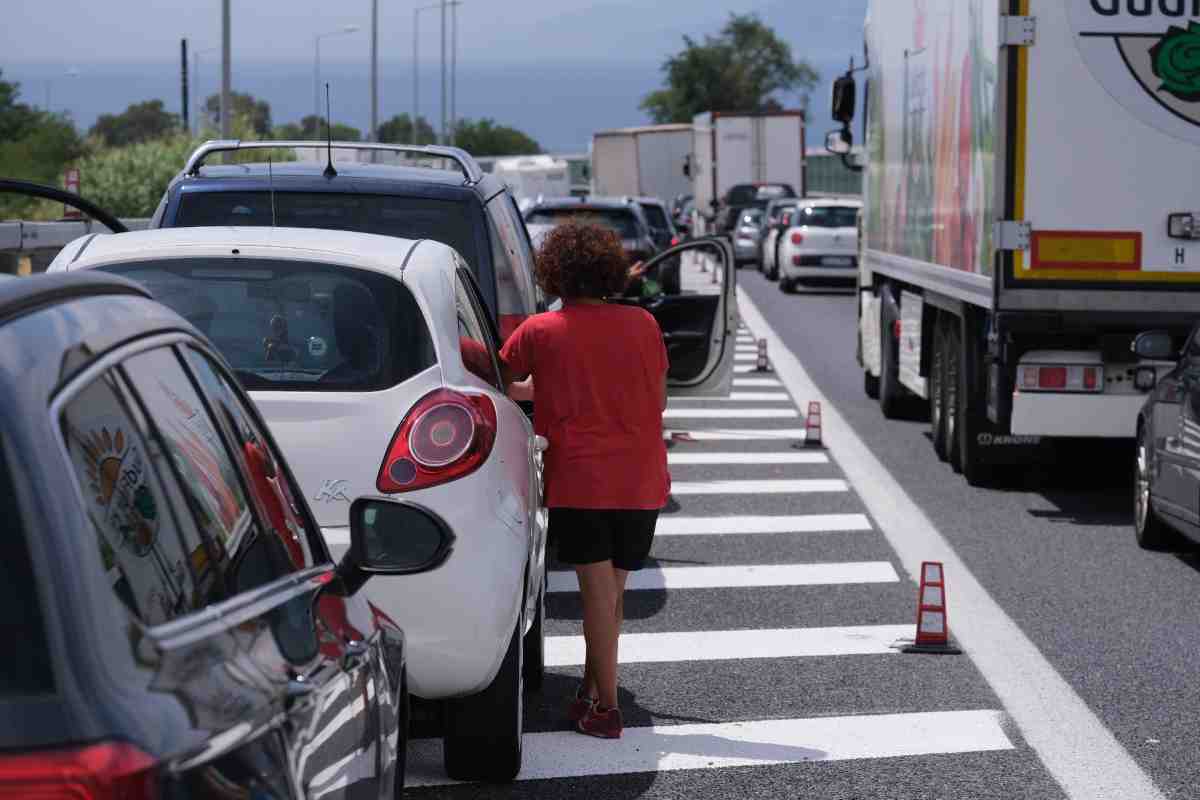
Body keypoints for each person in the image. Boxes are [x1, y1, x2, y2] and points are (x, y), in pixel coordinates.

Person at [499, 222, 670, 740]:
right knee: (611, 596)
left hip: (581, 479)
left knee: (597, 596)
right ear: (607, 271)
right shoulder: (643, 322)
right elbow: (658, 399)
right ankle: (590, 692)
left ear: (554, 273)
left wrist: (548, 389)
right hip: (642, 479)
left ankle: (608, 708)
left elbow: (503, 381)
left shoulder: (540, 330)